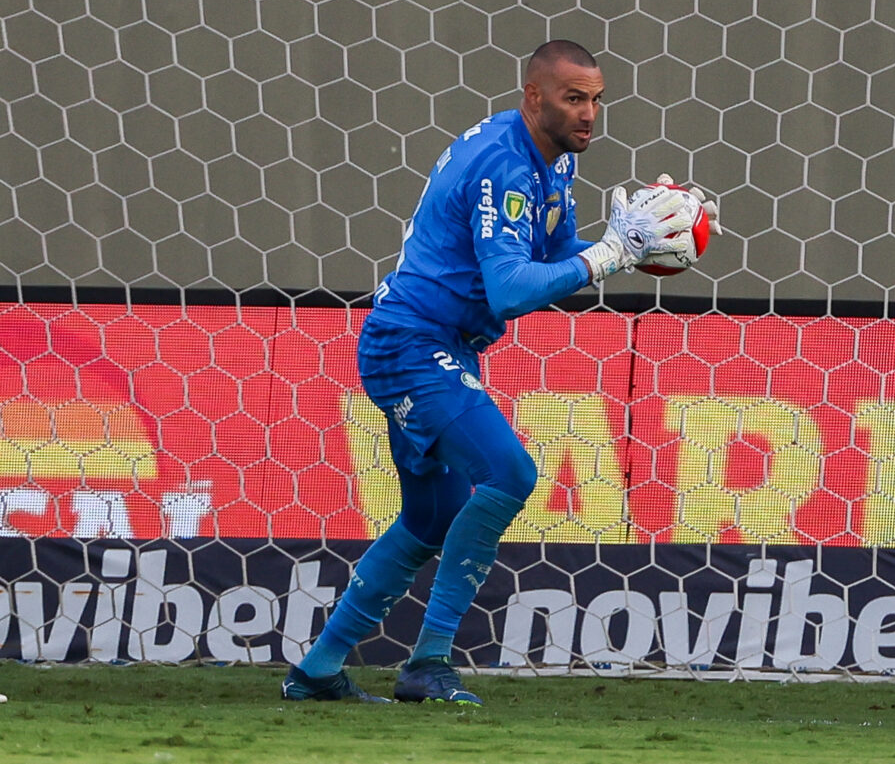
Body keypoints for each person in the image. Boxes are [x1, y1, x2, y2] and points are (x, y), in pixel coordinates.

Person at [281, 39, 719, 706]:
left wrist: (631, 245)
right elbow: (513, 290)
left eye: (597, 99)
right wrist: (609, 256)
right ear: (533, 95)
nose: (590, 114)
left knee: (430, 520)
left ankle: (316, 669)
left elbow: (549, 255)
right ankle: (428, 660)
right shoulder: (503, 166)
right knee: (510, 473)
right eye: (575, 98)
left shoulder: (553, 160)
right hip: (412, 343)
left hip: (437, 343)